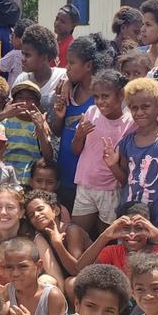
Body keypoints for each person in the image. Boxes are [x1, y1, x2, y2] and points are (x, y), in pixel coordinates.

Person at [77, 203, 158, 315]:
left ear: (149, 229)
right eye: (126, 229)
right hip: (121, 308)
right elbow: (80, 269)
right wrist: (105, 236)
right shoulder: (112, 251)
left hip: (149, 305)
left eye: (139, 228)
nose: (132, 234)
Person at [107, 77, 158, 238]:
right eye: (134, 108)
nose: (139, 112)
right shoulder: (127, 142)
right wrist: (113, 165)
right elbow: (125, 180)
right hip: (130, 217)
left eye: (145, 107)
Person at [72, 69, 135, 235]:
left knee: (105, 238)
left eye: (105, 96)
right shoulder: (92, 112)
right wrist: (79, 136)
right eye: (96, 96)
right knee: (77, 233)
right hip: (85, 184)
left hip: (110, 188)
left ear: (121, 95)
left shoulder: (129, 123)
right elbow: (76, 149)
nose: (100, 101)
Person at [52, 34, 103, 210]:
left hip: (88, 179)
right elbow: (58, 131)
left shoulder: (101, 98)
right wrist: (59, 116)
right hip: (65, 173)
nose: (66, 68)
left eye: (71, 63)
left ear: (88, 65)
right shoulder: (67, 92)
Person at [25, 189, 89, 282]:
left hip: (89, 278)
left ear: (56, 210)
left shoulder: (71, 230)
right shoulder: (41, 238)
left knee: (70, 283)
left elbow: (77, 270)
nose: (37, 215)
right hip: (66, 280)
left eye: (40, 209)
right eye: (31, 215)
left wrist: (58, 244)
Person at [0, 80, 53, 183]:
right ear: (13, 101)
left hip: (30, 181)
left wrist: (40, 129)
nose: (24, 103)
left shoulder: (40, 125)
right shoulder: (5, 123)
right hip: (5, 179)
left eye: (30, 99)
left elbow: (48, 157)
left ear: (38, 104)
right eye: (20, 98)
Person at [13, 25, 67, 127]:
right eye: (23, 54)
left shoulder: (62, 77)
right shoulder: (22, 79)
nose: (23, 59)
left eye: (27, 55)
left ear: (43, 58)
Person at [0, 17, 33, 88]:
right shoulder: (35, 55)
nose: (10, 39)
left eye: (12, 35)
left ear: (19, 40)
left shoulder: (15, 54)